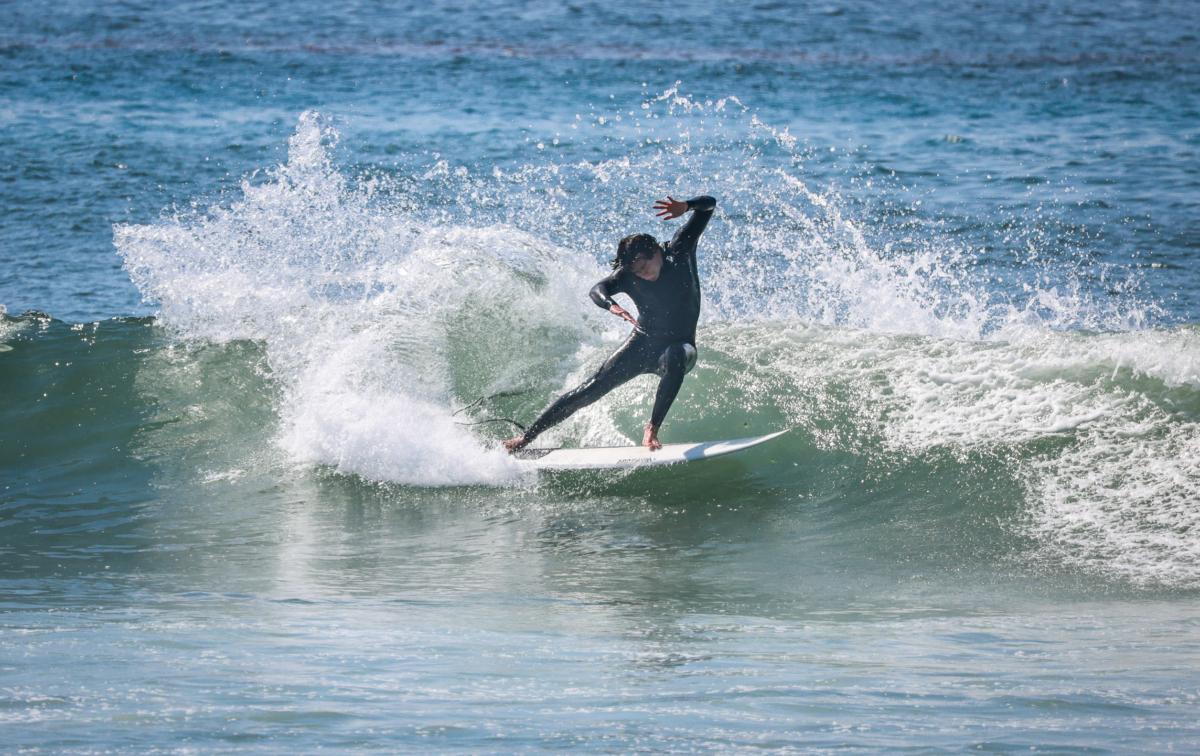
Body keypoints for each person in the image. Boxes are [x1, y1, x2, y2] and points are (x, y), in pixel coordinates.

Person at [504, 194, 717, 452]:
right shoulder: (628, 275)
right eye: (636, 272)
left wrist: (687, 206)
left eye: (645, 267)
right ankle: (526, 438)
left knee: (674, 356)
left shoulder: (679, 251)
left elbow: (709, 206)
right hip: (643, 342)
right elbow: (598, 289)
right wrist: (610, 304)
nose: (643, 276)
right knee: (589, 389)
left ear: (657, 252)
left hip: (682, 346)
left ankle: (651, 429)